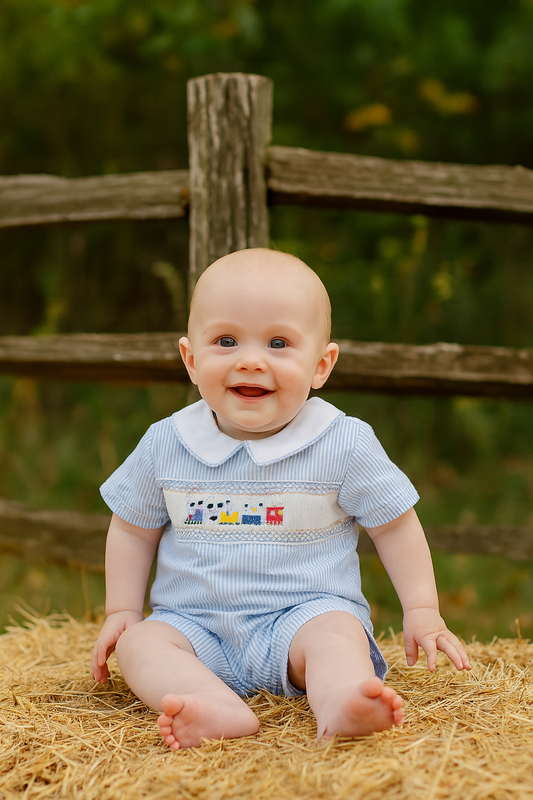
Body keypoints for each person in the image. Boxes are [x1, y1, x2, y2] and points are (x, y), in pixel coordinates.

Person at [91, 247, 470, 750]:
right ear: (190, 358)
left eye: (278, 342)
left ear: (321, 365)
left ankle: (340, 700)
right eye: (226, 341)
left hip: (302, 621)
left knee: (337, 636)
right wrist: (123, 609)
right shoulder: (167, 442)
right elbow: (133, 527)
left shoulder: (342, 442)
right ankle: (214, 705)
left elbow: (394, 525)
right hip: (193, 625)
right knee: (140, 646)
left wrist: (422, 608)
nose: (251, 360)